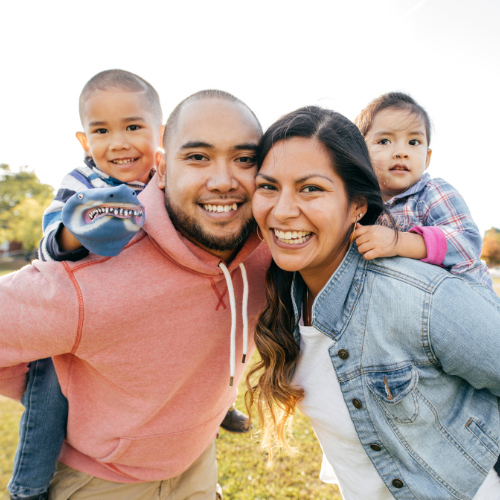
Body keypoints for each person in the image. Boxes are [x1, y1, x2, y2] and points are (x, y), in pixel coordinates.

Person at [0, 89, 270, 500]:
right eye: (197, 157)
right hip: (101, 482)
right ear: (161, 168)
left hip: (196, 463)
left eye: (245, 159)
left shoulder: (269, 251)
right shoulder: (90, 274)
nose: (223, 181)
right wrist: (60, 386)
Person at [247, 106, 500, 499]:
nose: (282, 210)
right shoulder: (287, 294)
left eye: (310, 188)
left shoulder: (419, 297)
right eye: (267, 187)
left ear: (359, 205)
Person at [352, 92, 493, 290]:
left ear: (427, 158)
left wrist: (399, 242)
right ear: (360, 154)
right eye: (384, 141)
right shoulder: (358, 206)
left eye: (413, 142)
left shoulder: (432, 193)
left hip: (466, 301)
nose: (401, 152)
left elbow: (466, 244)